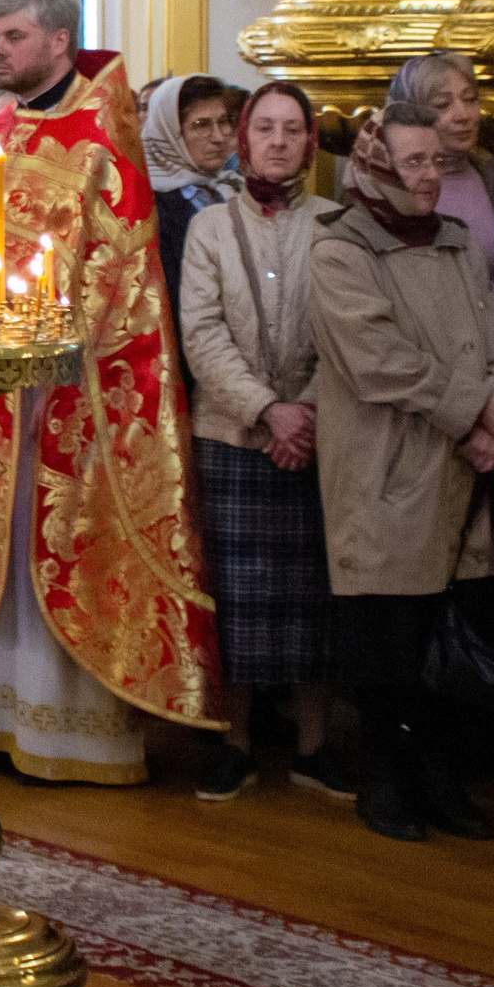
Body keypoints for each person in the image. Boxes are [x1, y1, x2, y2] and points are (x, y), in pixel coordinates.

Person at [0, 0, 223, 781]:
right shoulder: (0, 126)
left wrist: (46, 326)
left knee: (51, 547)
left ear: (57, 41)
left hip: (62, 389)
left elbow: (123, 272)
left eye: (13, 37)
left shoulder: (99, 138)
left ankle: (58, 734)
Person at [312, 102, 494, 842]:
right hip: (388, 471)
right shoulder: (340, 248)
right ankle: (385, 778)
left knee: (456, 632)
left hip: (473, 470)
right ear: (376, 167)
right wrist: (476, 413)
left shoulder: (459, 241)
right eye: (413, 162)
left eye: (437, 163)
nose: (429, 177)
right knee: (389, 640)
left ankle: (442, 776)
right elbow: (378, 362)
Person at [177, 81, 351, 805]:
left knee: (315, 592)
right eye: (265, 128)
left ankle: (315, 745)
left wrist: (306, 411)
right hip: (232, 431)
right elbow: (203, 332)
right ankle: (234, 741)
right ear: (244, 140)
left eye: (292, 129)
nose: (278, 141)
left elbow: (348, 331)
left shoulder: (339, 223)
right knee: (235, 595)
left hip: (320, 435)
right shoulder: (210, 228)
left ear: (310, 142)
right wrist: (265, 409)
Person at [390, 51, 494, 287]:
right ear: (411, 114)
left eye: (470, 99)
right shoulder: (393, 185)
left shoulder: (489, 174)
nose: (463, 115)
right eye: (443, 104)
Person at [144, 74, 241, 314]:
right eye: (202, 125)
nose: (219, 137)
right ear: (169, 133)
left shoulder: (233, 190)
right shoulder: (150, 207)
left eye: (224, 121)